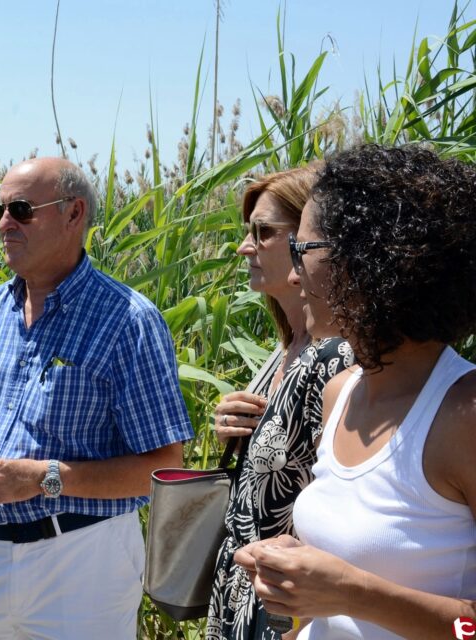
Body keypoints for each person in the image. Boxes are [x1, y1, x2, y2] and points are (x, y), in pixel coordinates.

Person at [0, 157, 193, 639]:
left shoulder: (127, 320)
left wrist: (43, 479)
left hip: (82, 563)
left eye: (22, 209)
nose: (5, 223)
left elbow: (163, 469)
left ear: (74, 214)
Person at [236, 144, 476, 639]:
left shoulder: (461, 415)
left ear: (368, 262)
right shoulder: (340, 393)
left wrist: (352, 592)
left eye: (302, 250)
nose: (294, 272)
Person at [207, 166, 354, 640]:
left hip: (287, 606)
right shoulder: (285, 348)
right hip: (245, 588)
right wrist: (232, 429)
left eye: (263, 232)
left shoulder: (337, 357)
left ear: (308, 240)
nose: (244, 247)